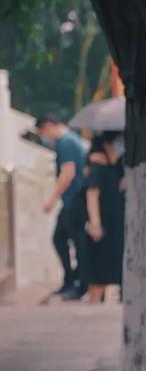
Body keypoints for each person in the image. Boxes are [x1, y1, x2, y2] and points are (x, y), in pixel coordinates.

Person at [35, 116, 88, 301]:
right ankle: (71, 280)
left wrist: (52, 199)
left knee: (75, 243)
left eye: (42, 133)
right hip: (73, 201)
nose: (44, 137)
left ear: (49, 126)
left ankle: (80, 284)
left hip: (75, 201)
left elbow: (68, 173)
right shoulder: (72, 140)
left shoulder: (66, 143)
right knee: (62, 239)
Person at [84, 132, 125, 304]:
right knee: (100, 273)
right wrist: (95, 223)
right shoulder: (98, 166)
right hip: (104, 225)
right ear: (108, 145)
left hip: (119, 225)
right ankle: (94, 305)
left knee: (118, 269)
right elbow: (92, 194)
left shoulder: (120, 166)